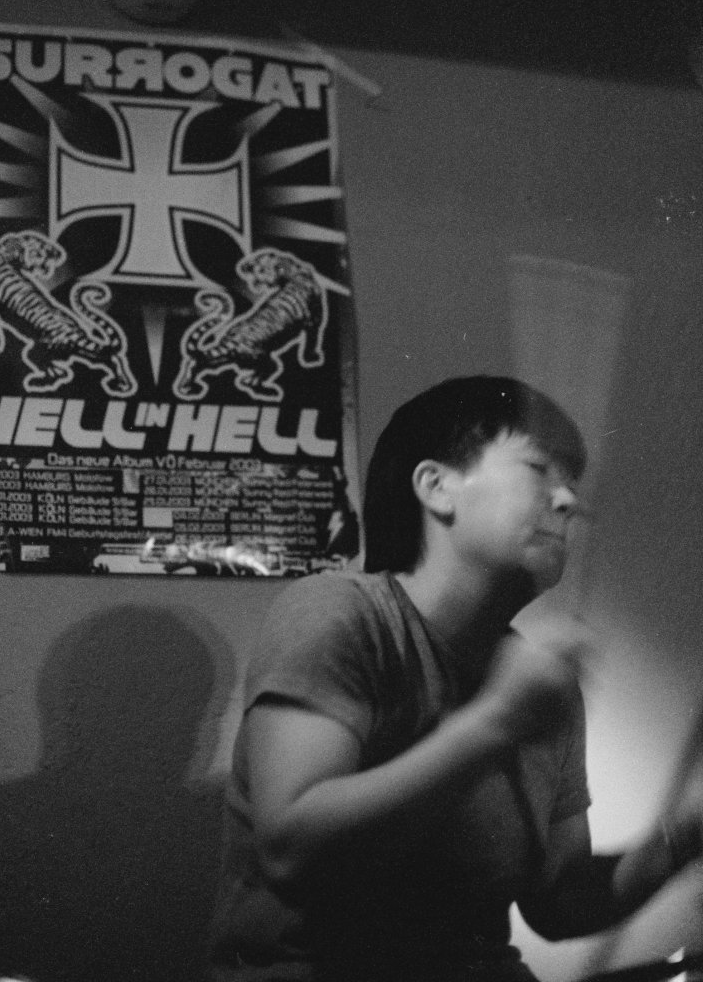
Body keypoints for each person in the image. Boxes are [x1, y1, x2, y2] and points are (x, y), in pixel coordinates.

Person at [209, 375, 702, 982]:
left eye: (573, 481)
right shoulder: (340, 613)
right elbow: (292, 852)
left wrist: (685, 835)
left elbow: (560, 903)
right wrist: (497, 721)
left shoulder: (540, 682)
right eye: (539, 468)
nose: (569, 500)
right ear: (436, 486)